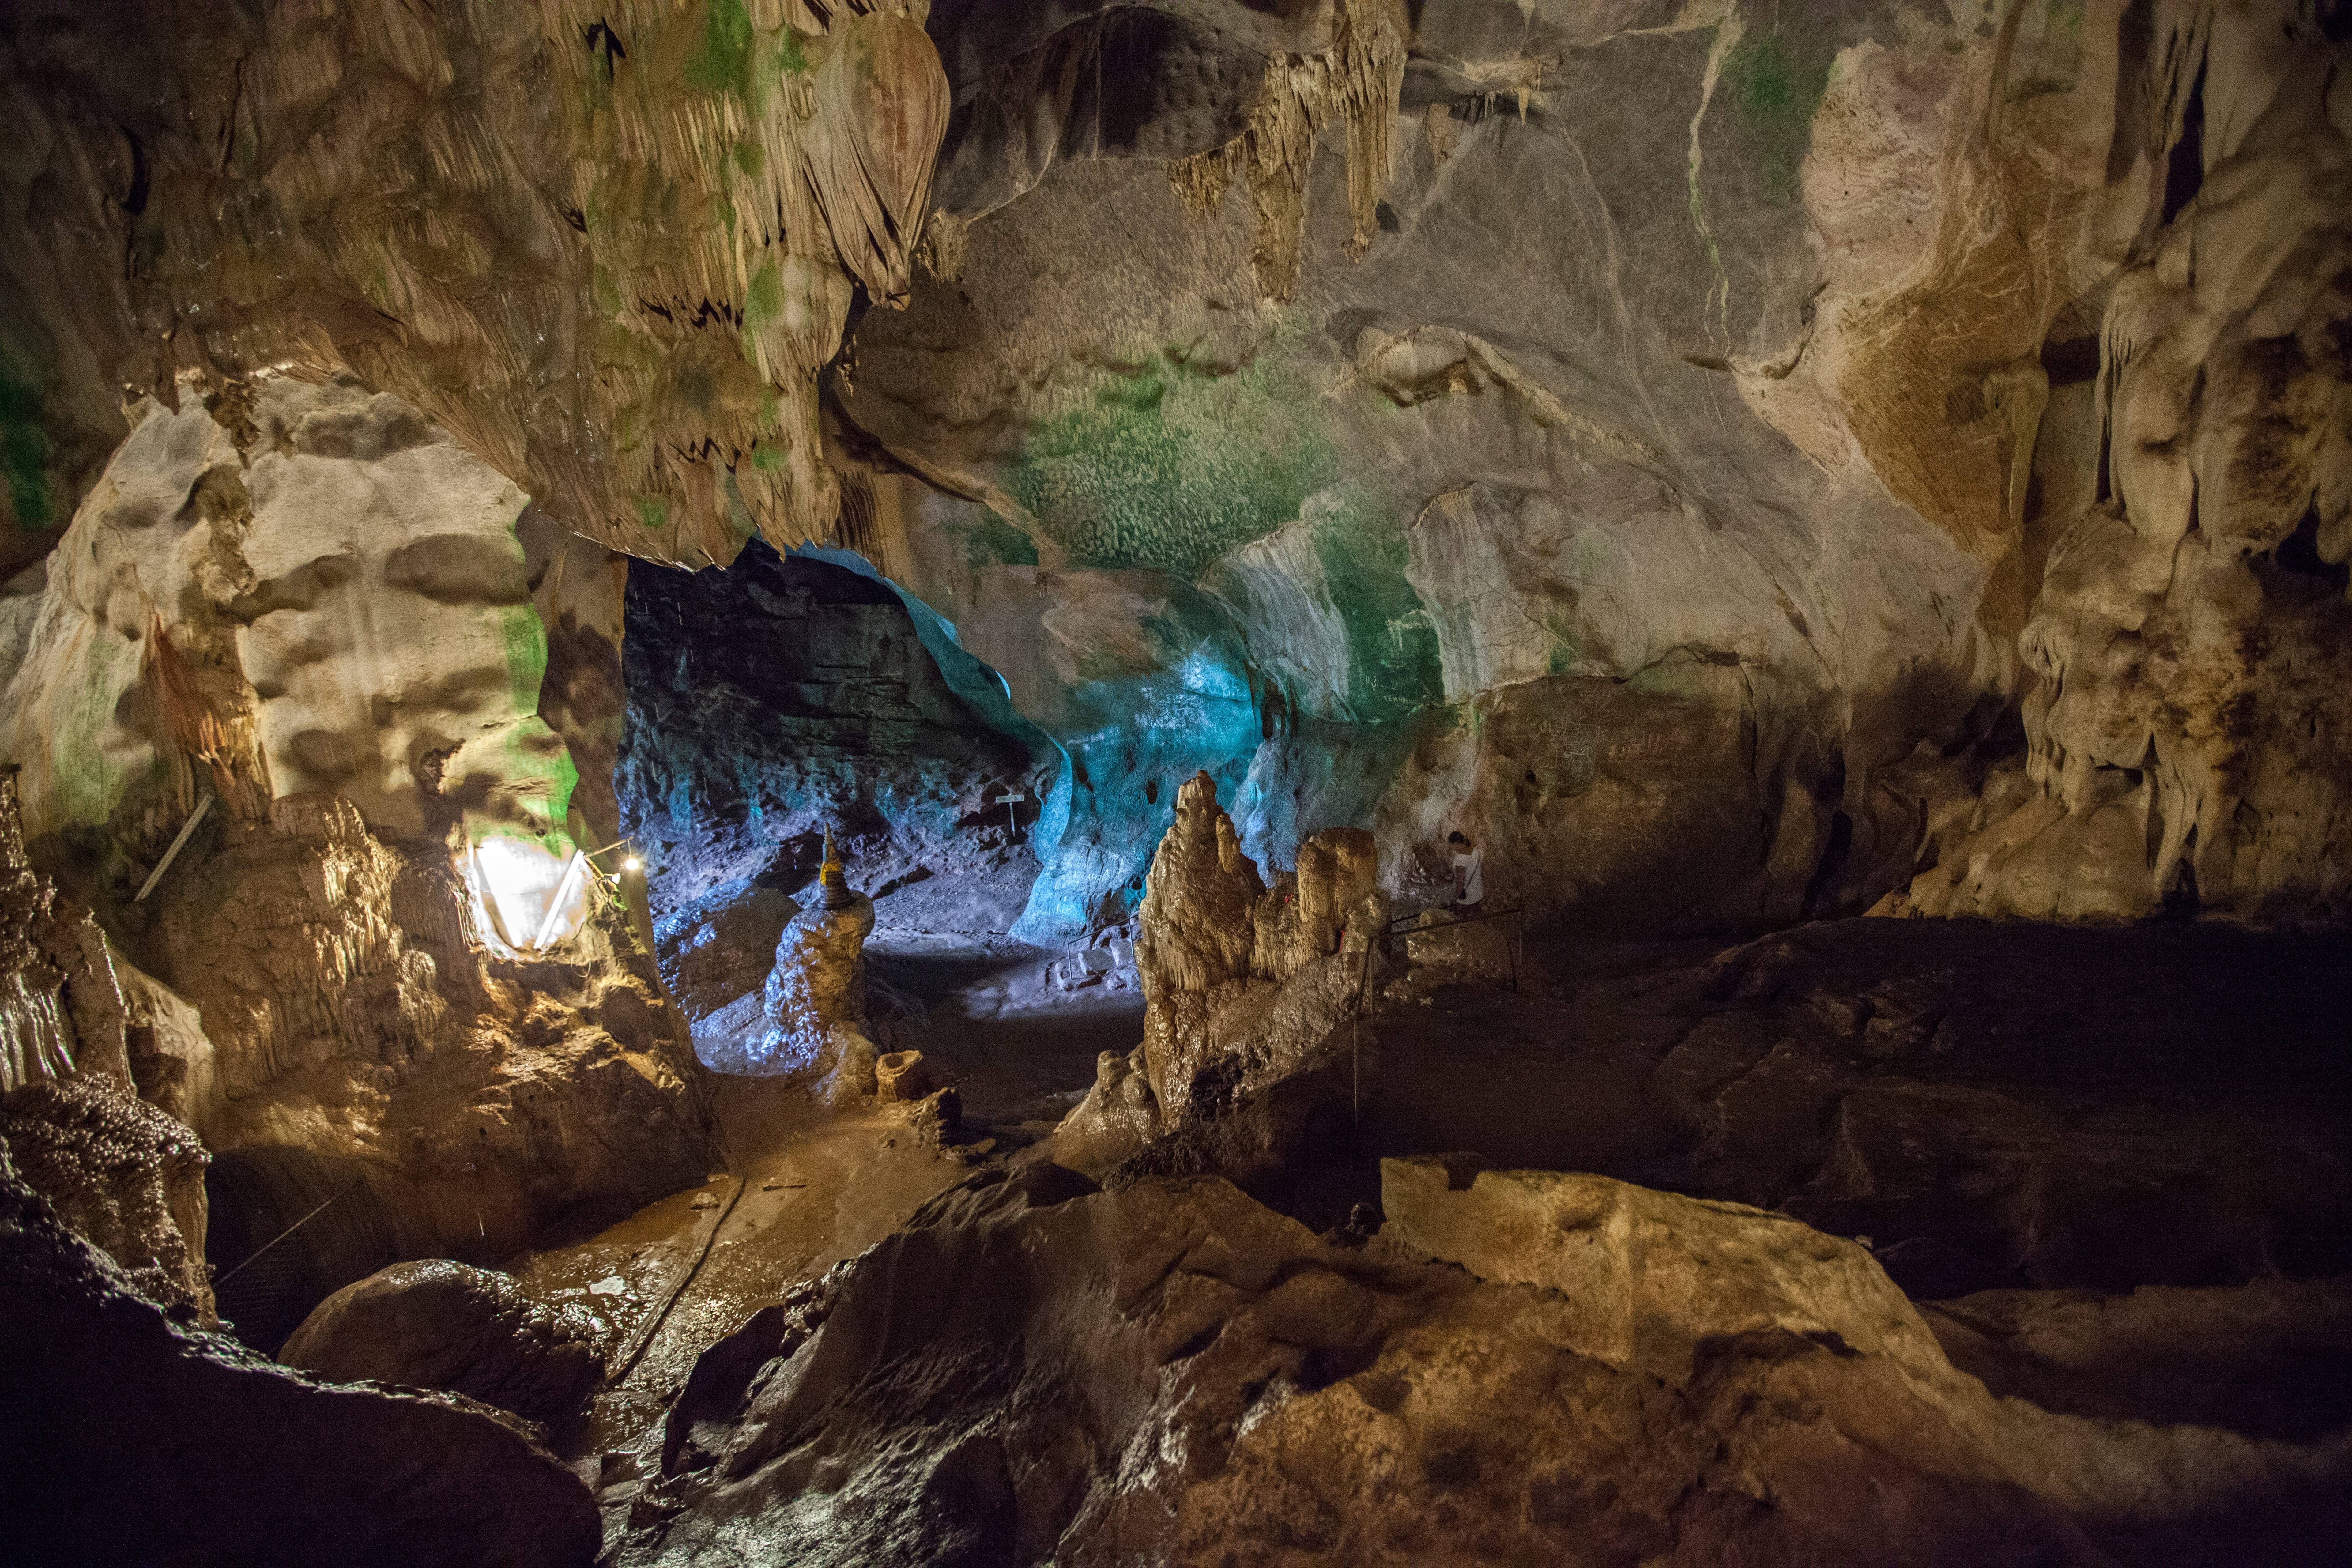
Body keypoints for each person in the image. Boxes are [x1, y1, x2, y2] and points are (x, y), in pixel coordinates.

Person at [1448, 830, 1484, 916]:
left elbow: (1461, 882)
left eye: (1453, 846)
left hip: (1467, 898)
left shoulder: (1460, 860)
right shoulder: (1476, 851)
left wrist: (1455, 899)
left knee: (1463, 922)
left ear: (1456, 844)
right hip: (1479, 894)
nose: (1453, 848)